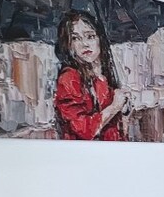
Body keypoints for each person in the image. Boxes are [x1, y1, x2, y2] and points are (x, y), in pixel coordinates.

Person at [53, 10, 130, 140]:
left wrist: (124, 108)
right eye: (76, 38)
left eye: (90, 36)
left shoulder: (104, 76)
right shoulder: (69, 78)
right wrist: (114, 107)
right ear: (68, 44)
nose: (85, 44)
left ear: (100, 39)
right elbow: (84, 129)